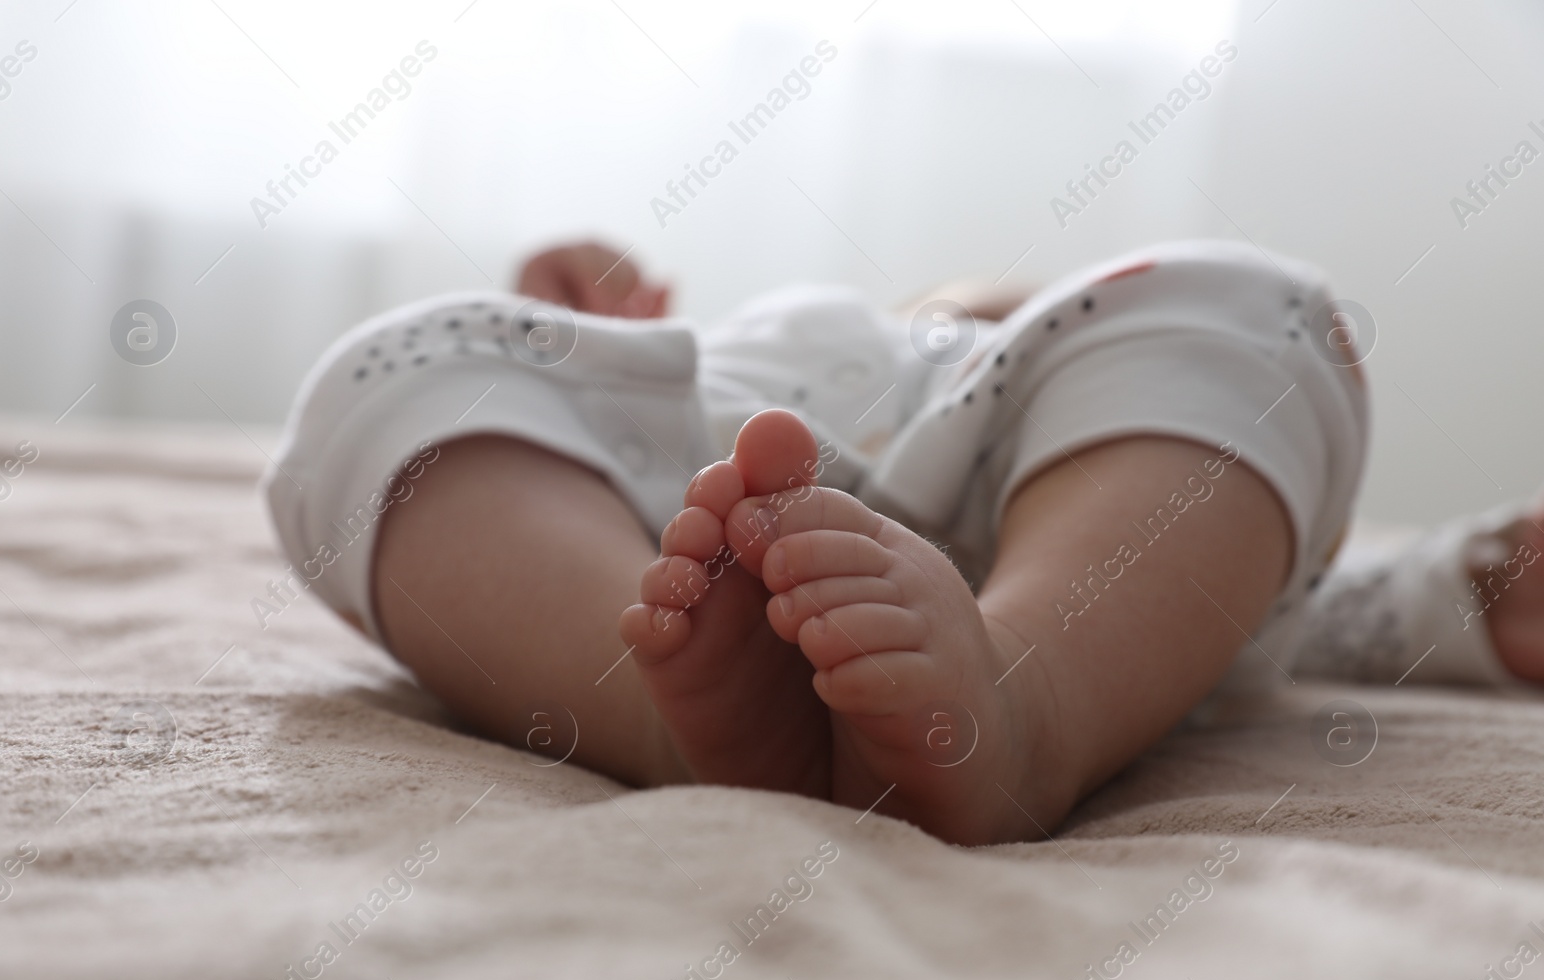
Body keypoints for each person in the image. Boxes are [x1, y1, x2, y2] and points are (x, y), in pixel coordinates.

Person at [263, 240, 1544, 846]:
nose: (1009, 314)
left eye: (1046, 310)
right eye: (995, 305)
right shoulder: (752, 335)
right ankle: (664, 703)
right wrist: (574, 331)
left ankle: (1022, 701)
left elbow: (1280, 613)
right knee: (397, 368)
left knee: (1246, 304)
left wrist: (1448, 594)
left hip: (1039, 577)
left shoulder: (1071, 385)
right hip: (675, 508)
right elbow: (568, 386)